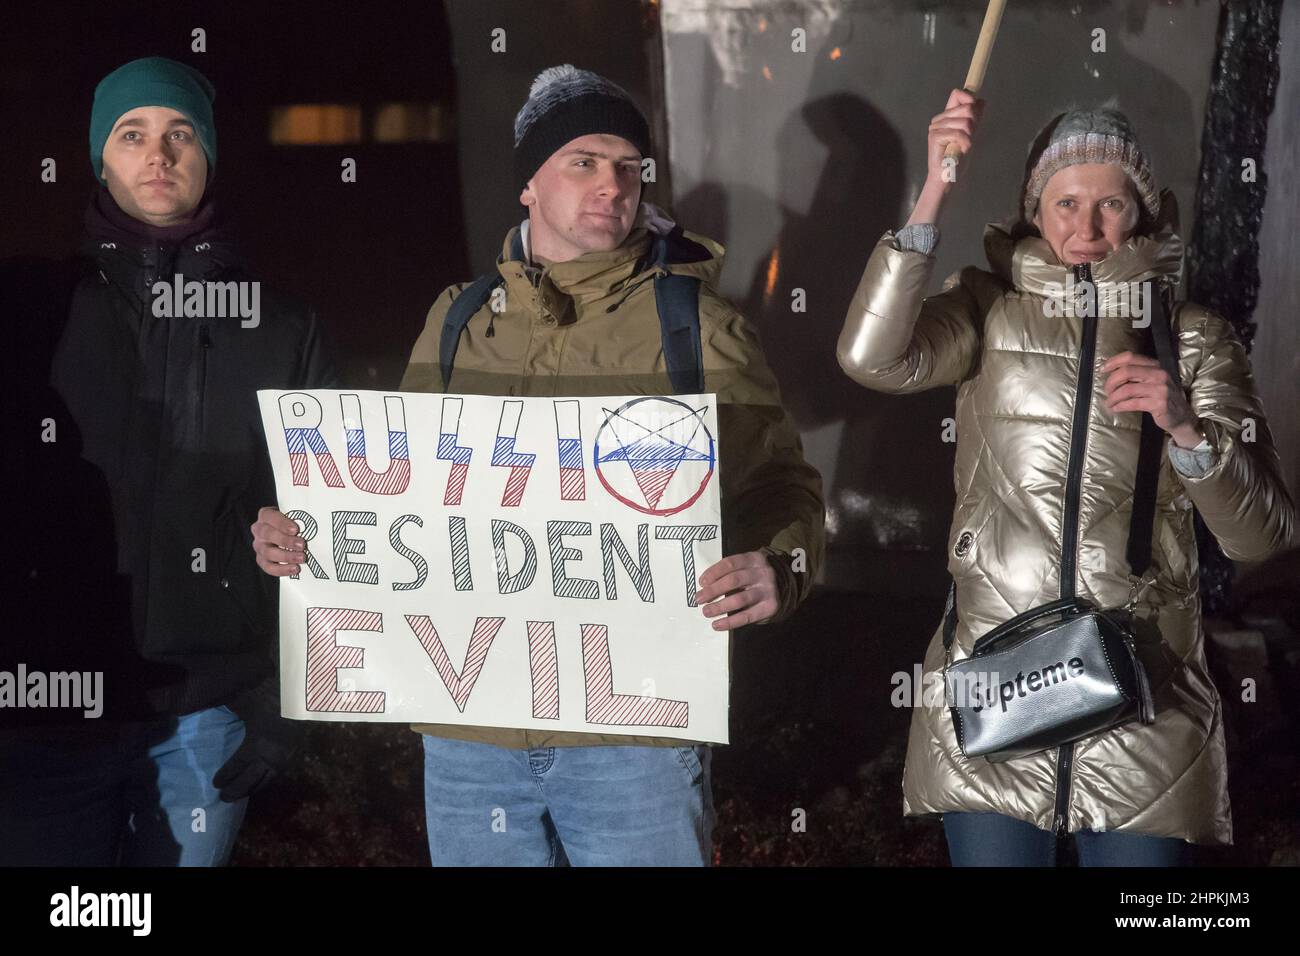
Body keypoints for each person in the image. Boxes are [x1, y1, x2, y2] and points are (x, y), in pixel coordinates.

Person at [252, 64, 826, 866]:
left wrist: (777, 565)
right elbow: (391, 495)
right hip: (468, 740)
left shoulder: (696, 325)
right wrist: (302, 533)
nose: (611, 184)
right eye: (583, 161)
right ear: (529, 183)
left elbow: (781, 486)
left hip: (636, 737)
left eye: (629, 167)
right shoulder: (456, 322)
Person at [837, 89, 1295, 866]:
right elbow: (872, 357)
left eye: (1111, 204)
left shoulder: (1193, 338)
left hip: (1145, 697)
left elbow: (1262, 535)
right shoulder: (986, 310)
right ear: (1033, 211)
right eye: (1065, 202)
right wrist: (935, 186)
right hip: (994, 680)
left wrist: (1186, 429)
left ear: (1143, 214)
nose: (1086, 228)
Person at [0, 56, 338, 865]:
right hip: (43, 713)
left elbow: (338, 524)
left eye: (180, 133)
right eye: (132, 134)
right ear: (100, 157)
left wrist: (288, 696)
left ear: (209, 155)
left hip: (205, 710)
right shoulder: (27, 309)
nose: (159, 155)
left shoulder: (280, 328)